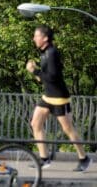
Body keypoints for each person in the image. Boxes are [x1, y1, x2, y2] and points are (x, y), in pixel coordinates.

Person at [26, 25, 92, 171]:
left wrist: (34, 70)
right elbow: (44, 79)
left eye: (36, 36)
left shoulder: (52, 53)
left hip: (59, 98)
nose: (34, 38)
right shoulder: (44, 53)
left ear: (45, 38)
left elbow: (53, 77)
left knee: (68, 129)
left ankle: (84, 158)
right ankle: (44, 159)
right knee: (35, 124)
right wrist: (36, 72)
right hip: (48, 96)